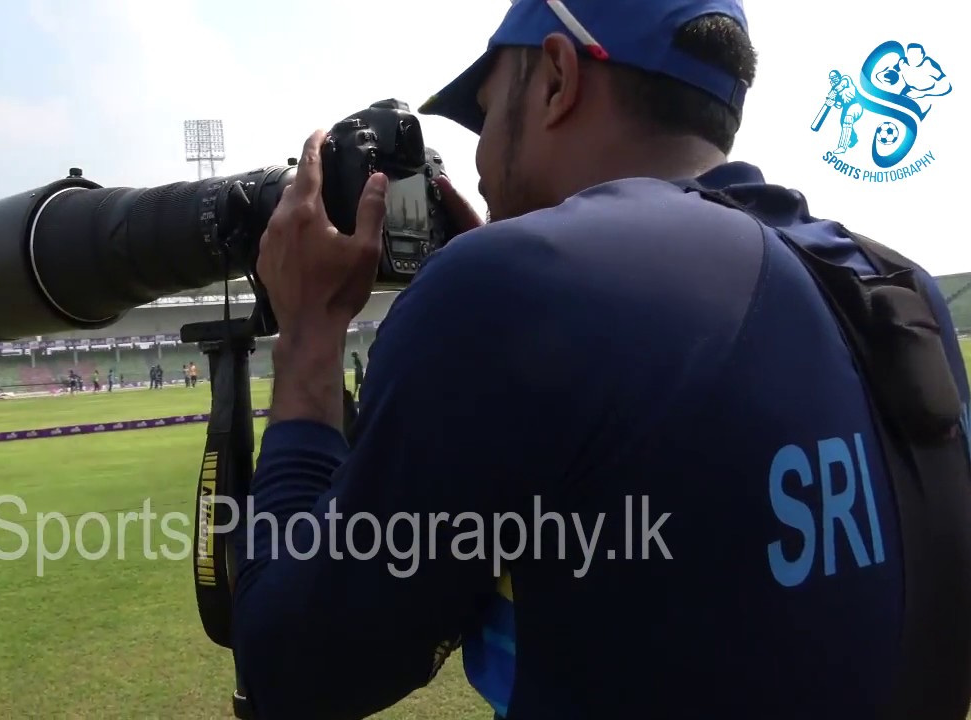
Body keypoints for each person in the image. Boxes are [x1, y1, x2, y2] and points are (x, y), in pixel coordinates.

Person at [231, 2, 971, 719]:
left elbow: (293, 669)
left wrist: (310, 336)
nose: (479, 164)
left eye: (485, 117)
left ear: (556, 77)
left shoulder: (512, 288)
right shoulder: (896, 287)